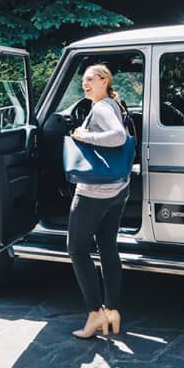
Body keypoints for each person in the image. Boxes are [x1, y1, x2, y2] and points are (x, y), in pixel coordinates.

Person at [67, 63, 131, 339]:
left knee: (76, 249)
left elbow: (118, 137)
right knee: (107, 247)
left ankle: (95, 314)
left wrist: (84, 135)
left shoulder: (103, 107)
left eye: (91, 79)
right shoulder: (115, 104)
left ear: (105, 80)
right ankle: (113, 311)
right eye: (83, 80)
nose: (85, 83)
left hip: (94, 193)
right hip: (118, 189)